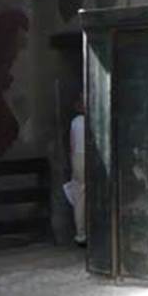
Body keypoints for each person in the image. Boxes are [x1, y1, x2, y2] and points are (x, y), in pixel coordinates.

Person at [63, 95, 86, 246]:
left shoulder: (75, 122)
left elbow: (72, 145)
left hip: (77, 157)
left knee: (79, 197)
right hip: (89, 156)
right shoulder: (94, 119)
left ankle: (81, 234)